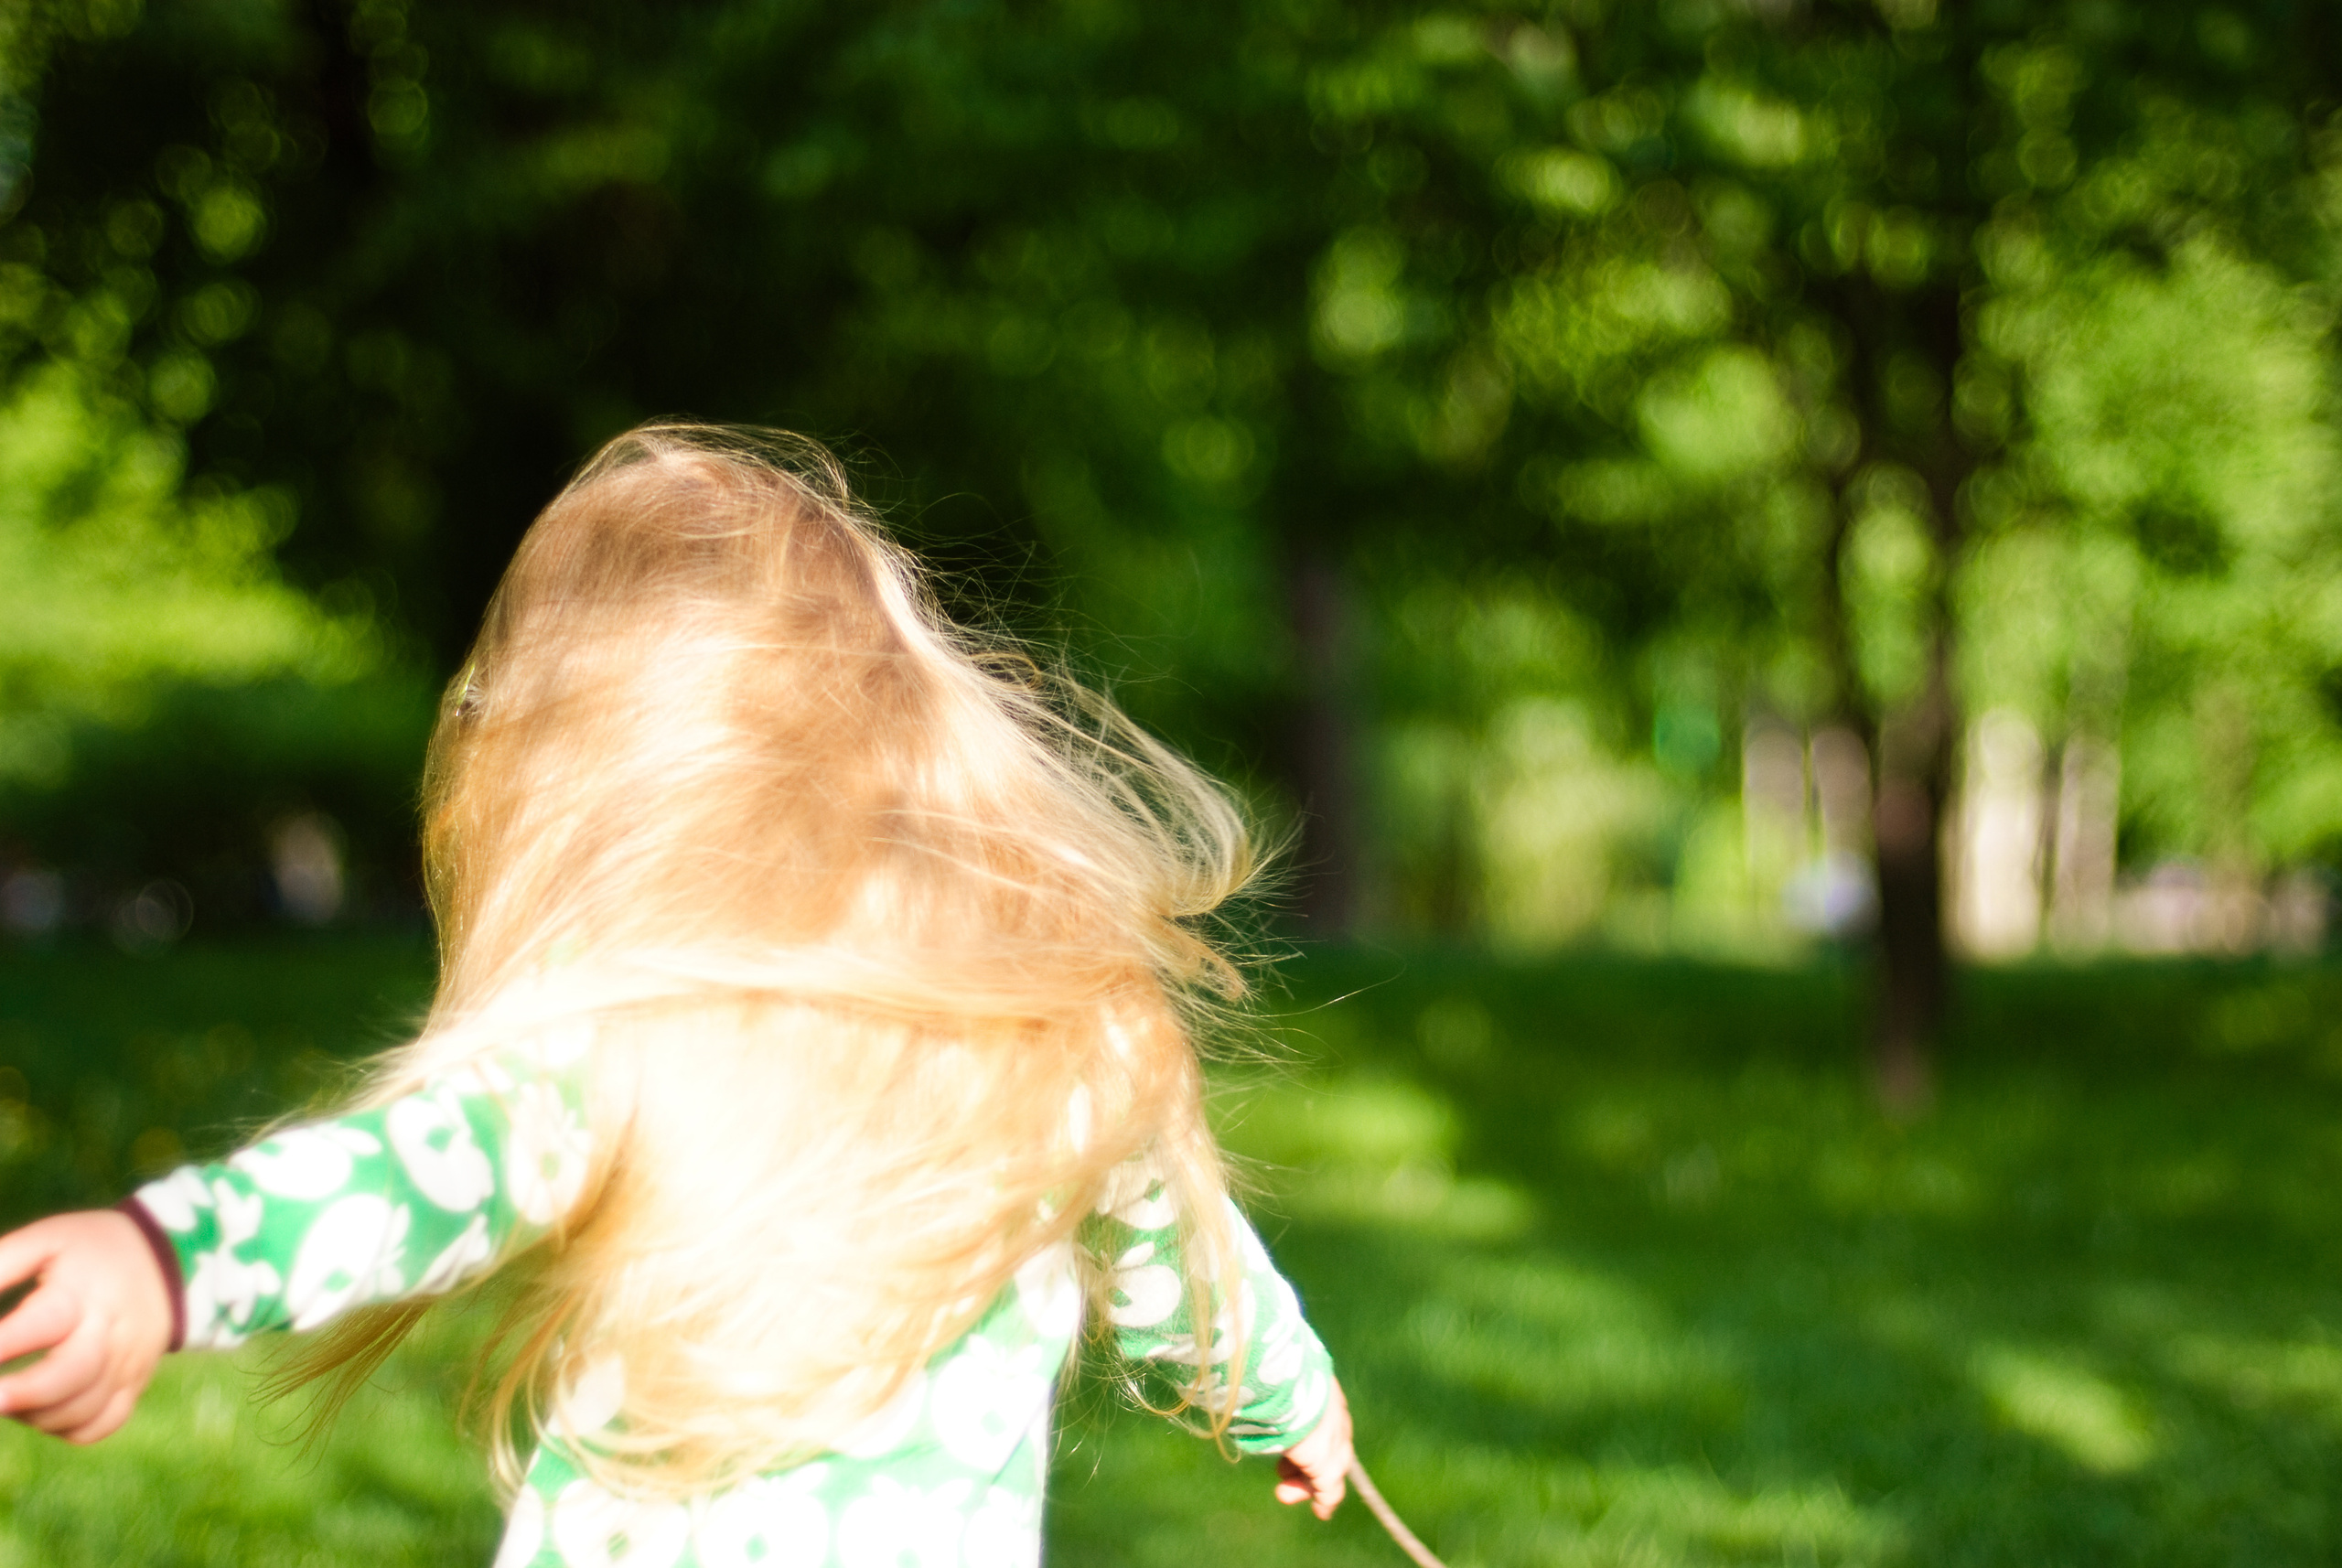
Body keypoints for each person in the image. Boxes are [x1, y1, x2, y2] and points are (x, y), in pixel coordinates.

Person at [0, 425, 1353, 1568]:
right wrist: (1285, 1396)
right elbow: (1194, 1255)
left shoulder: (644, 1058)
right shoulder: (1038, 1047)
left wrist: (166, 1260)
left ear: (590, 793)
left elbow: (395, 1180)